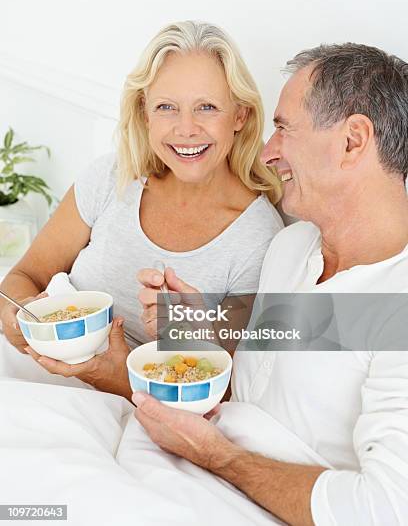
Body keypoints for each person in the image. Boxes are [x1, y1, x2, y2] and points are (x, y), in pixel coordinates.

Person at [132, 43, 408, 525]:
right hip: (189, 473)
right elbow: (286, 360)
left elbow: (383, 509)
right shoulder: (294, 246)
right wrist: (196, 322)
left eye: (283, 128)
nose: (267, 152)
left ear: (353, 141)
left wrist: (217, 456)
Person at [0, 20, 283, 398]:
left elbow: (226, 389)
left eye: (207, 107)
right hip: (30, 371)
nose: (186, 128)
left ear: (240, 116)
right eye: (166, 107)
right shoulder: (111, 177)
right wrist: (19, 317)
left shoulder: (258, 237)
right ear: (145, 114)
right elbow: (24, 277)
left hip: (124, 404)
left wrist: (143, 358)